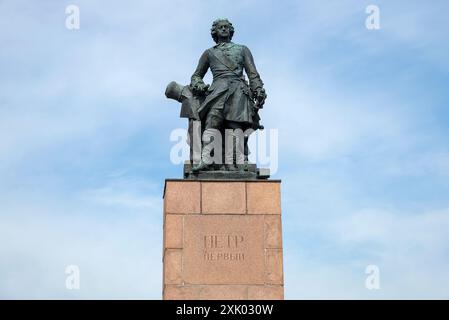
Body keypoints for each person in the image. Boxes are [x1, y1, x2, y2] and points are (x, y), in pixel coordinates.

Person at [190, 18, 267, 172]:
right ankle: (206, 159)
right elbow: (196, 76)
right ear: (215, 31)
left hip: (238, 90)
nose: (224, 29)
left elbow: (253, 74)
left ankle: (235, 162)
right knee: (212, 121)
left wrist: (258, 89)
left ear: (230, 31)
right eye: (220, 27)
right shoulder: (209, 53)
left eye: (226, 27)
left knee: (235, 127)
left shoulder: (243, 49)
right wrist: (199, 85)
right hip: (217, 91)